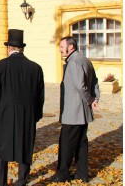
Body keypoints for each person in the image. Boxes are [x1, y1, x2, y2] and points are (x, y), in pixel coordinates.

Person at [0, 29, 45, 186]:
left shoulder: (1, 65)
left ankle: (0, 182)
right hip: (27, 113)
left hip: (5, 112)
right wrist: (36, 115)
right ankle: (21, 181)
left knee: (2, 145)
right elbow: (40, 96)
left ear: (9, 48)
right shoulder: (35, 68)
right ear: (21, 48)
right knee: (25, 145)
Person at [52, 36, 100, 183]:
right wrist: (96, 98)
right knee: (81, 143)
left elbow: (81, 86)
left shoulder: (74, 62)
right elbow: (95, 82)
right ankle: (82, 174)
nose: (60, 49)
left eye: (62, 46)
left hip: (73, 112)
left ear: (71, 47)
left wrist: (90, 100)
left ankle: (62, 174)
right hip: (82, 113)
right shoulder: (85, 60)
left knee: (66, 144)